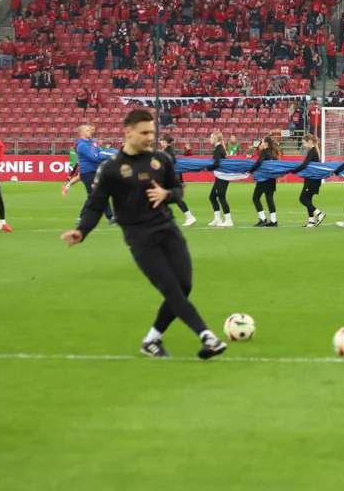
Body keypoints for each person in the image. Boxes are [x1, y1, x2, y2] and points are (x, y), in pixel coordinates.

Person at [60, 108, 227, 360]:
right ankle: (208, 337)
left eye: (152, 132)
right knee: (172, 290)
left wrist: (167, 195)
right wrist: (81, 231)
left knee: (184, 285)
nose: (151, 137)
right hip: (141, 239)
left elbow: (177, 190)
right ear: (128, 131)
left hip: (169, 231)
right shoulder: (111, 168)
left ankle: (151, 340)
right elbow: (96, 205)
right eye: (145, 132)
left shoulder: (160, 159)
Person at [74, 124, 117, 227]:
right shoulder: (82, 145)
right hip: (88, 173)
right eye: (87, 130)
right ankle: (82, 217)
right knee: (95, 195)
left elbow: (100, 152)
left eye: (90, 130)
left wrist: (105, 154)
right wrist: (109, 155)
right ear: (81, 133)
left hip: (95, 171)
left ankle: (111, 217)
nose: (90, 131)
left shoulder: (92, 142)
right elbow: (96, 158)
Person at [159, 133, 197, 226]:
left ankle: (189, 217)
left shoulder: (169, 151)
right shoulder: (167, 150)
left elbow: (172, 165)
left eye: (161, 140)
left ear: (165, 141)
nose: (160, 142)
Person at [293, 134, 326, 227]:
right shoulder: (314, 151)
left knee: (302, 198)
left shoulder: (312, 151)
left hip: (312, 179)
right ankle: (311, 221)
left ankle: (319, 213)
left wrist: (294, 170)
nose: (303, 145)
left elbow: (304, 164)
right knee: (308, 199)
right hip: (312, 179)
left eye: (304, 143)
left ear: (310, 142)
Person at [248, 135, 281, 227]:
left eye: (262, 142)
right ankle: (274, 221)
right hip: (271, 179)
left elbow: (259, 162)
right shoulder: (274, 152)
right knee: (269, 199)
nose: (261, 144)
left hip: (264, 179)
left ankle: (262, 219)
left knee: (255, 198)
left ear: (266, 143)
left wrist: (251, 170)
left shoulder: (264, 151)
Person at [207, 132, 234, 227]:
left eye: (211, 138)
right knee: (212, 197)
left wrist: (207, 168)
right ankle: (217, 219)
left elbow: (217, 164)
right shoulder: (219, 149)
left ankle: (228, 220)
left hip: (222, 176)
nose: (209, 139)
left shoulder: (218, 150)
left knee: (221, 196)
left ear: (216, 139)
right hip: (221, 176)